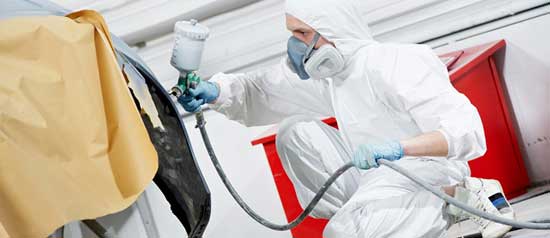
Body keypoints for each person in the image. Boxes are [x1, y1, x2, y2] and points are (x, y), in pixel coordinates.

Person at [177, 0, 515, 237]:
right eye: (292, 33)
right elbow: (262, 90)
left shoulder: (396, 62)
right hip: (373, 178)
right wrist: (214, 90)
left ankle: (459, 196)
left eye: (302, 34)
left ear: (331, 30)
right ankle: (367, 213)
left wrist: (399, 148)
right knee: (294, 131)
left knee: (351, 234)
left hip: (423, 171)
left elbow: (467, 132)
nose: (294, 45)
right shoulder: (332, 78)